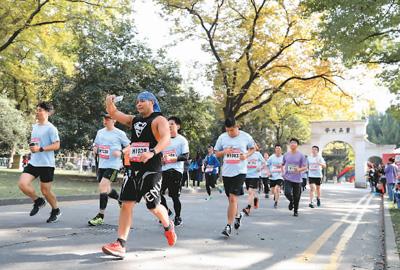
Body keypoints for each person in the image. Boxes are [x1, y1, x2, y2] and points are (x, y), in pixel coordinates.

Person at [101, 91, 177, 259]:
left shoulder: (159, 120)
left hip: (152, 168)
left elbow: (166, 139)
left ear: (152, 102)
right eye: (137, 101)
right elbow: (114, 113)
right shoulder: (134, 120)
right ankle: (120, 244)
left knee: (153, 206)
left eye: (142, 100)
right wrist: (109, 103)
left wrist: (152, 151)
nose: (138, 104)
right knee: (126, 204)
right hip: (133, 169)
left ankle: (167, 224)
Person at [17, 101, 61, 223]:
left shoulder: (51, 128)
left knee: (46, 191)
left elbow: (57, 145)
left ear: (48, 113)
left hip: (47, 164)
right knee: (22, 184)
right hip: (34, 162)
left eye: (40, 110)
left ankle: (55, 210)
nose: (37, 112)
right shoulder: (34, 126)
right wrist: (32, 147)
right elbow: (36, 142)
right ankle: (38, 201)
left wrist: (41, 149)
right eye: (37, 109)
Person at [214, 117, 255, 236]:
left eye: (232, 130)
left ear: (237, 127)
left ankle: (228, 226)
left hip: (240, 171)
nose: (230, 133)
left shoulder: (246, 136)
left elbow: (253, 148)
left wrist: (246, 155)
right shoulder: (222, 137)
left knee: (232, 198)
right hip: (227, 172)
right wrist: (224, 152)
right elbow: (216, 153)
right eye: (228, 130)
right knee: (231, 200)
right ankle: (237, 216)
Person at [88, 113, 130, 226]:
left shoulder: (120, 133)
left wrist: (121, 152)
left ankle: (100, 216)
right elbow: (95, 144)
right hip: (102, 164)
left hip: (114, 165)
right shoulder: (100, 132)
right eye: (104, 118)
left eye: (108, 119)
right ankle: (120, 199)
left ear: (114, 120)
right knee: (106, 189)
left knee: (102, 186)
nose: (105, 120)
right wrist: (95, 148)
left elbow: (129, 146)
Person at [160, 116, 190, 227]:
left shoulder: (182, 140)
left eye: (172, 124)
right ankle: (166, 211)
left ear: (178, 126)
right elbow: (159, 153)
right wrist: (161, 159)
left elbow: (186, 156)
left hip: (176, 171)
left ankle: (178, 217)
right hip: (163, 170)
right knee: (158, 194)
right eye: (168, 124)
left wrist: (173, 159)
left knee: (174, 196)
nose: (169, 126)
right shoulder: (163, 139)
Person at [282, 138, 307, 217]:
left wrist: (299, 169)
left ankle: (295, 210)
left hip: (297, 179)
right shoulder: (286, 155)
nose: (292, 144)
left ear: (297, 145)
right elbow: (282, 164)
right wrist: (282, 172)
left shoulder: (301, 155)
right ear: (290, 144)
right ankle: (291, 201)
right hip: (287, 177)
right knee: (287, 193)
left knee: (297, 196)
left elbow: (305, 167)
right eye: (291, 142)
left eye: (294, 143)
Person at [242, 143, 265, 216]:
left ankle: (248, 208)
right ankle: (255, 199)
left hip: (255, 176)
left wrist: (260, 168)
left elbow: (264, 163)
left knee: (250, 191)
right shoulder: (245, 154)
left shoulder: (258, 154)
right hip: (247, 175)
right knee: (250, 193)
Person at [267, 144, 284, 209]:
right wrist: (268, 172)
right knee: (273, 190)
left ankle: (276, 202)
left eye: (279, 149)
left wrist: (282, 168)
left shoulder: (283, 158)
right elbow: (267, 165)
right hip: (272, 176)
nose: (278, 150)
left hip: (280, 176)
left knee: (277, 189)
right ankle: (275, 195)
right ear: (275, 149)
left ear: (281, 150)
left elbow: (286, 165)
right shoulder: (271, 157)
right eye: (277, 148)